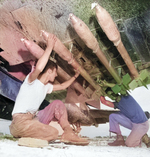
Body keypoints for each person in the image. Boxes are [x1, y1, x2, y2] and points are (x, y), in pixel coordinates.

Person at [9, 30, 89, 146]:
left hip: (33, 119)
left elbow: (63, 86)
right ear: (50, 70)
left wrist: (75, 76)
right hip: (20, 122)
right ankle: (25, 140)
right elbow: (39, 68)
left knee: (57, 104)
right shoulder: (30, 81)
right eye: (55, 72)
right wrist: (50, 46)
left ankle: (68, 133)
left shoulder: (45, 87)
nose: (56, 75)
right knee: (53, 133)